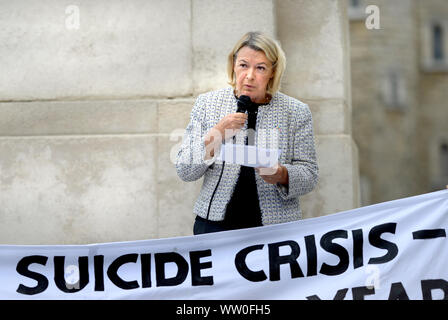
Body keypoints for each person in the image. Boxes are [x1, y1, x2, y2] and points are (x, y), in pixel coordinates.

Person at [176, 31, 318, 235]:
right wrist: (217, 133)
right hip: (214, 226)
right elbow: (185, 170)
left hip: (276, 229)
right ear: (233, 65)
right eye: (243, 65)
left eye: (260, 68)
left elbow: (310, 174)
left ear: (273, 72)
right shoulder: (207, 104)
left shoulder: (295, 111)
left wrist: (282, 174)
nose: (250, 76)